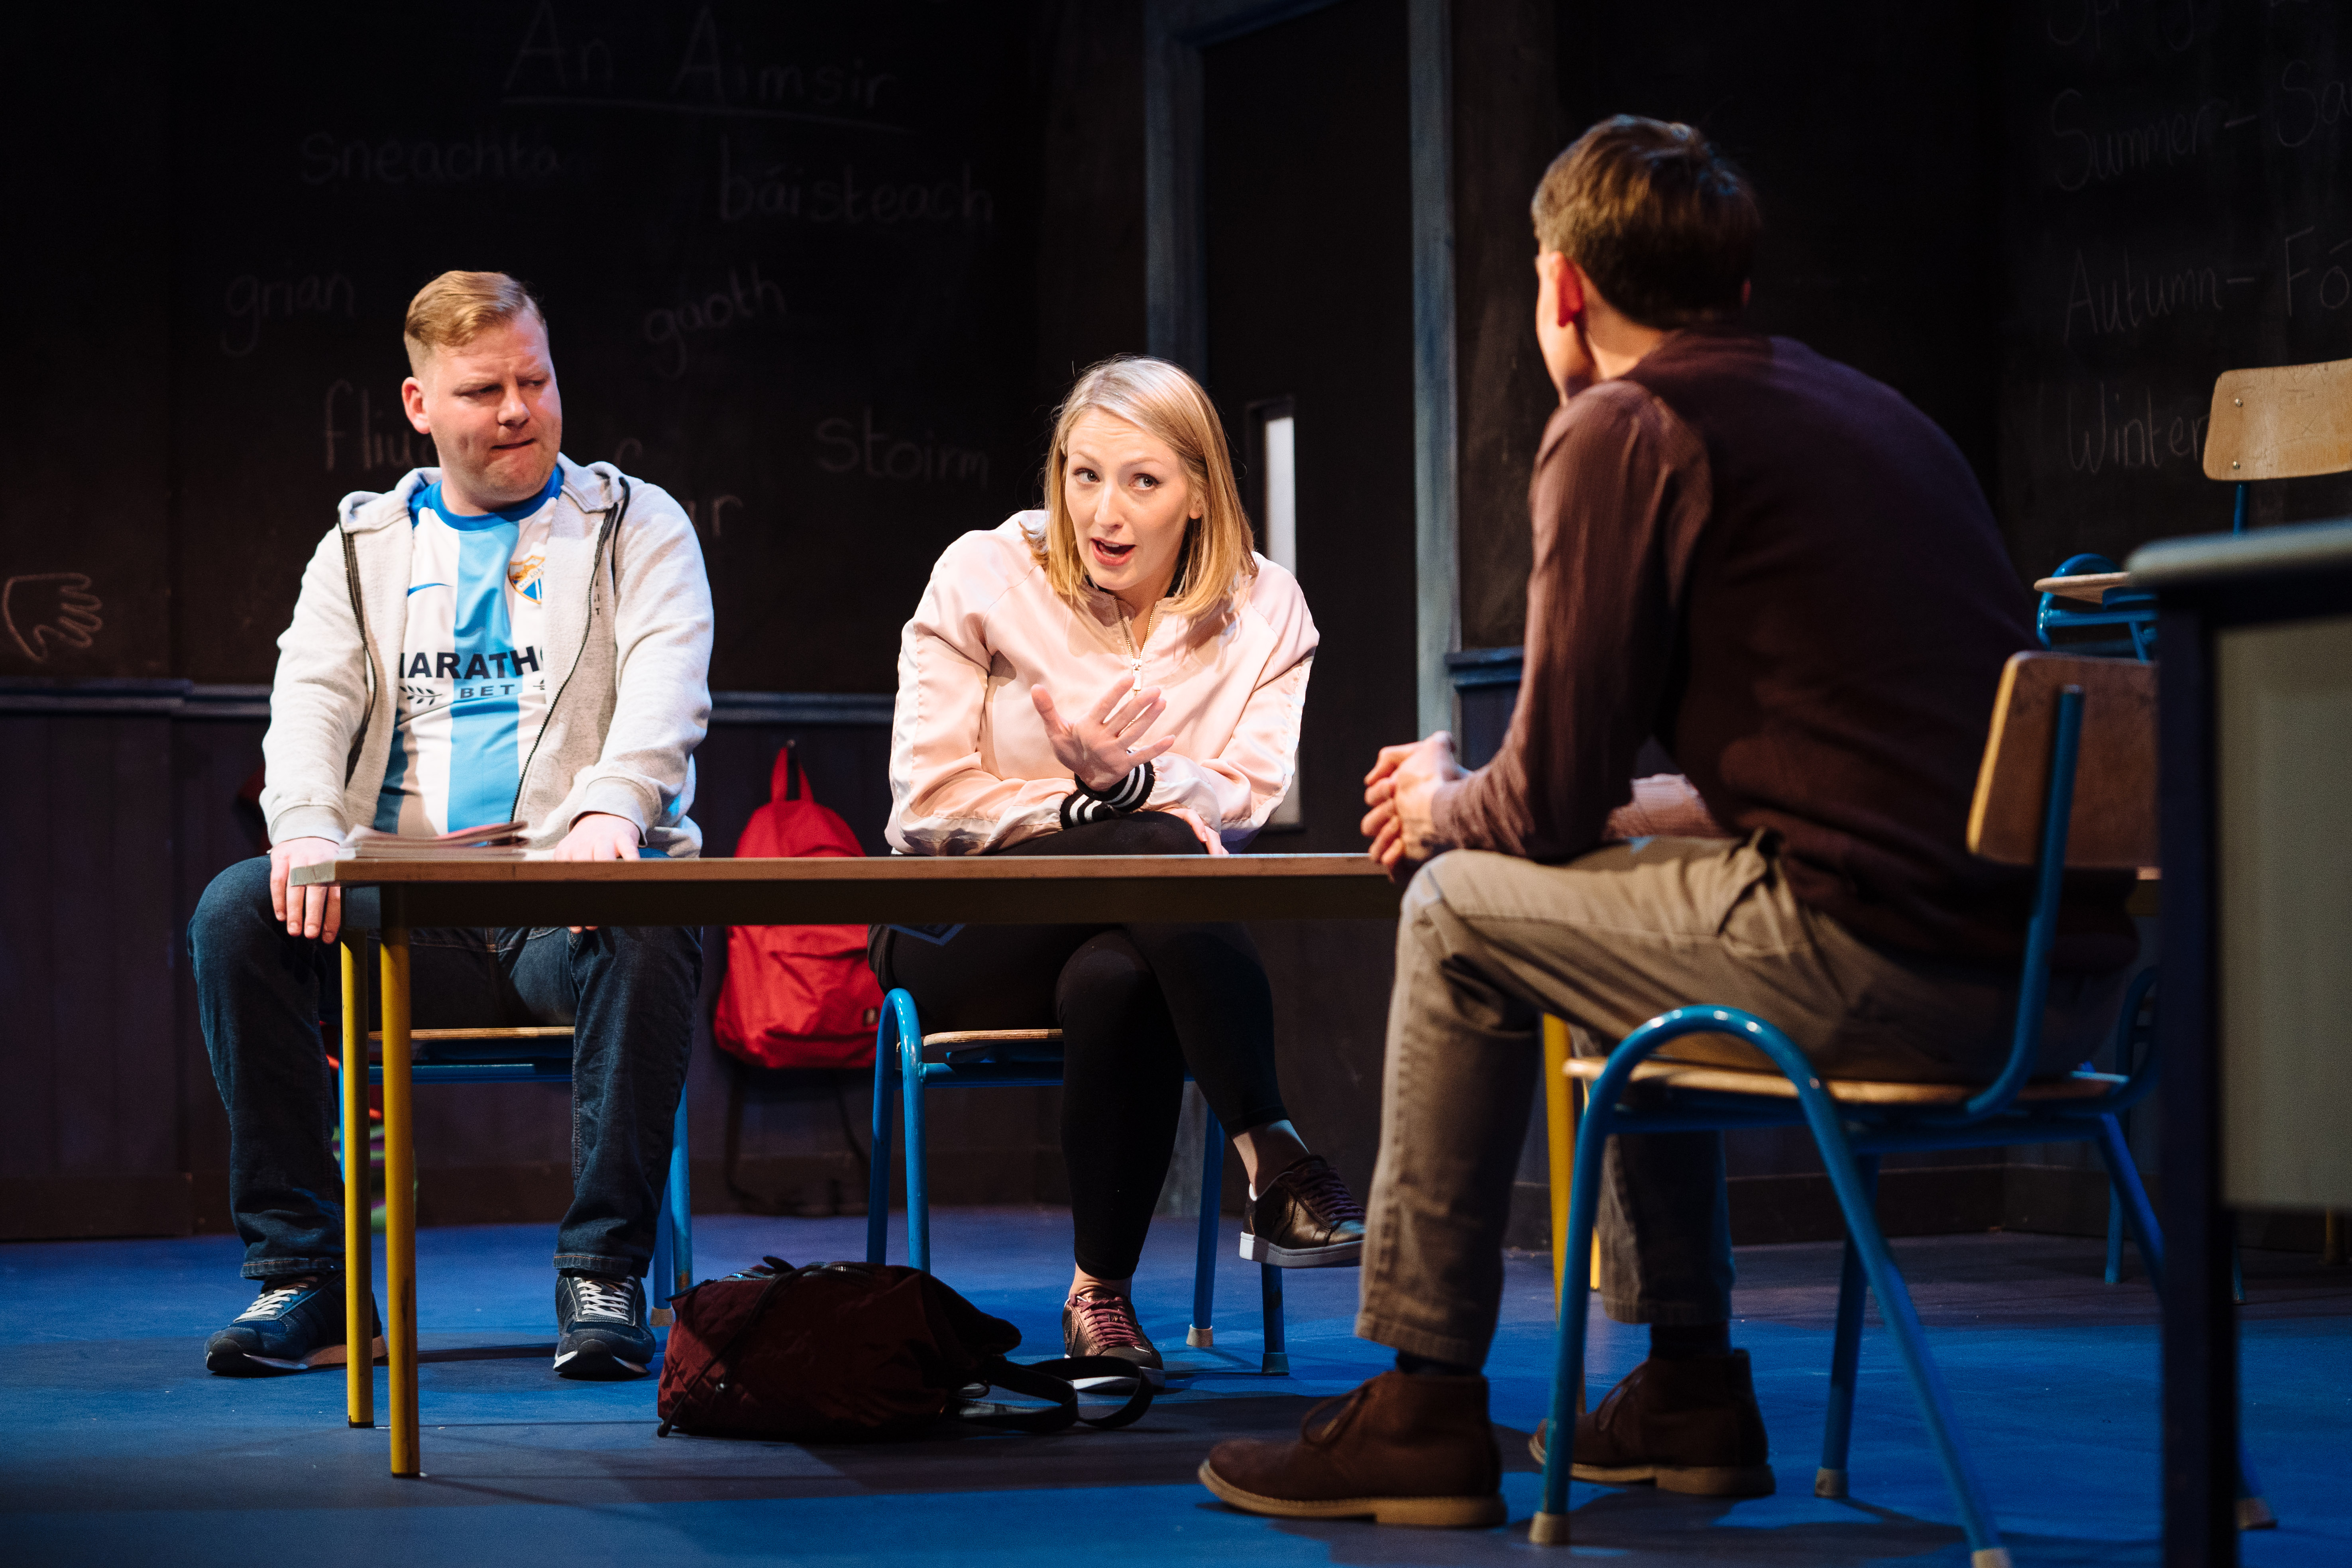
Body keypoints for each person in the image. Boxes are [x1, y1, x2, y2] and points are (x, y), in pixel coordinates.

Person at [1197, 116, 2135, 1525]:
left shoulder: (1625, 429)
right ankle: (1691, 1392)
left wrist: (1447, 799)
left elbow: (1551, 795)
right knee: (1598, 885)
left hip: (1893, 976)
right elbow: (1832, 767)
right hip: (2058, 992)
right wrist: (1535, 811)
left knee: (1460, 911)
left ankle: (1424, 1408)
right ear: (1733, 286)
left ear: (1564, 287)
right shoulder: (1882, 418)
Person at [191, 271, 714, 1382]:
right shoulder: (362, 547)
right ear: (421, 405)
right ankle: (313, 1281)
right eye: (484, 390)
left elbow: (668, 695)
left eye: (536, 380)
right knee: (238, 912)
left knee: (657, 914)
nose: (519, 409)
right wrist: (303, 832)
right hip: (400, 918)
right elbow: (311, 705)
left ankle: (604, 1270)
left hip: (558, 918)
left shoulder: (636, 525)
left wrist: (615, 812)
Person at [873, 354, 1366, 1383]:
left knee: (1120, 974)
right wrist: (1100, 804)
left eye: (1142, 482)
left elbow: (1246, 794)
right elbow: (923, 812)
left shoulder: (1268, 611)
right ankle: (1274, 1158)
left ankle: (1098, 1297)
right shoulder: (983, 574)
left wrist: (1142, 785)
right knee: (1155, 841)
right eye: (1083, 475)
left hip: (1141, 934)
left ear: (1199, 492)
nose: (1103, 511)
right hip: (959, 931)